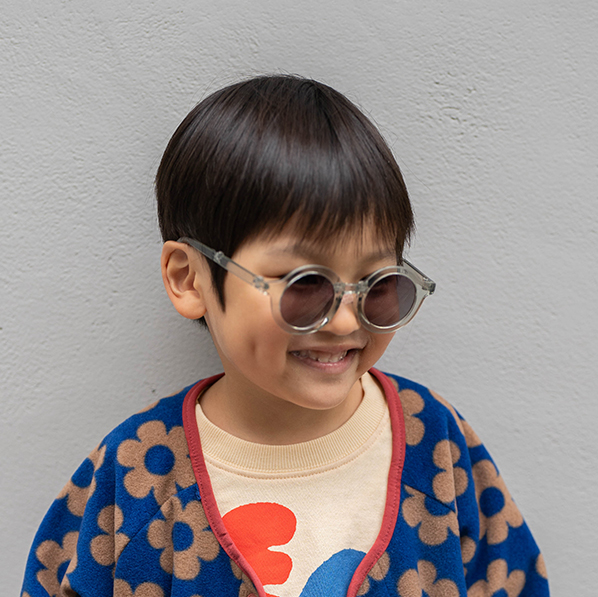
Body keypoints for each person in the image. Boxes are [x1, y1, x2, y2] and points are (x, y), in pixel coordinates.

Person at [21, 75, 549, 597]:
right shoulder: (137, 474)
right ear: (190, 279)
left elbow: (514, 580)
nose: (345, 322)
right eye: (305, 285)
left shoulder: (433, 441)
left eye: (378, 286)